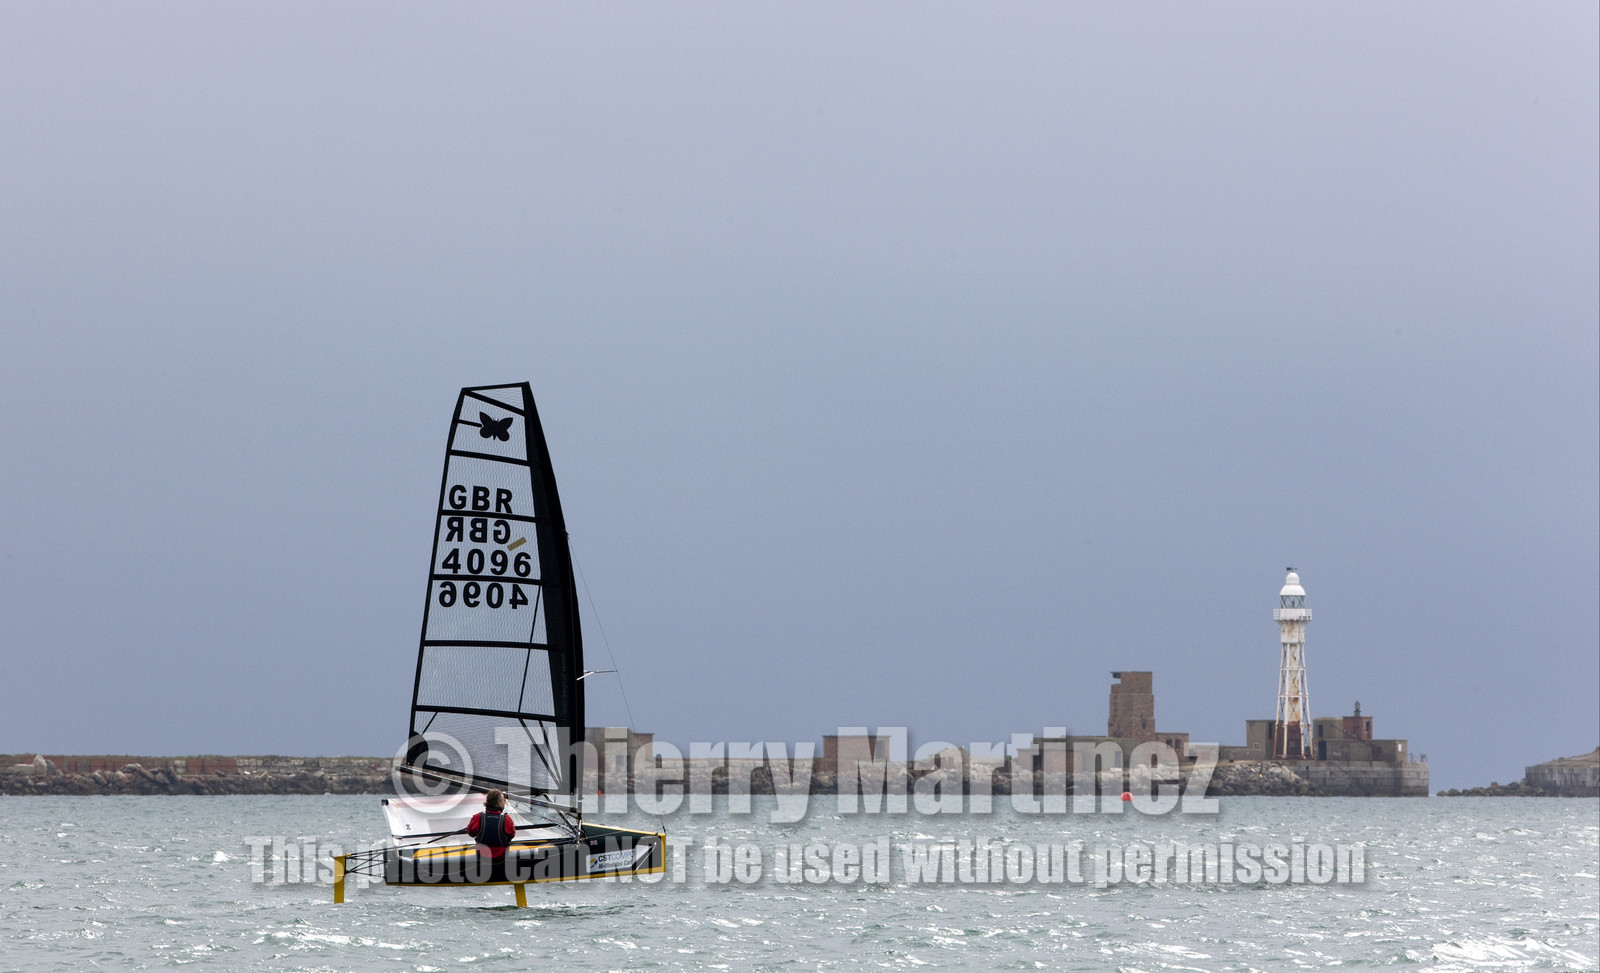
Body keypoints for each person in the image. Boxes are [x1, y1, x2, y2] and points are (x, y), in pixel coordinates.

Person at [465, 789, 516, 882]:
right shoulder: (506, 819)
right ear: (499, 802)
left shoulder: (477, 817)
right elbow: (511, 835)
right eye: (503, 801)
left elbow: (470, 833)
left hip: (482, 857)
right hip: (501, 858)